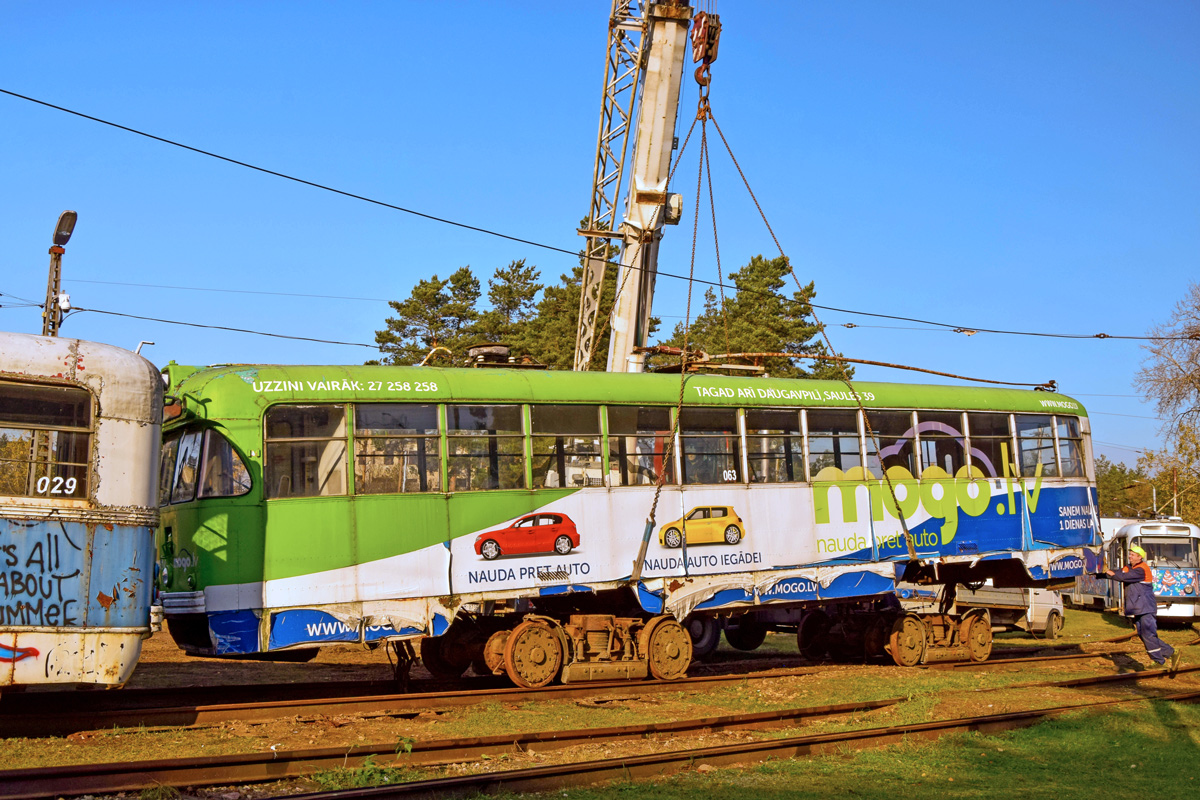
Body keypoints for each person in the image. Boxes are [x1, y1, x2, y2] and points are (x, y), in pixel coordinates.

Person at [1102, 544, 1182, 672]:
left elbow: (1123, 577)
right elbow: (1118, 573)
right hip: (1138, 608)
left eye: (1132, 555)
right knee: (1143, 634)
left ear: (1139, 557)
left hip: (1145, 607)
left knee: (1148, 634)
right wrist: (1099, 573)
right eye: (1130, 554)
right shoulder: (1130, 568)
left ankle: (1159, 661)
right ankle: (1171, 652)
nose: (1130, 556)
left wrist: (1111, 573)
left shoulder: (1141, 570)